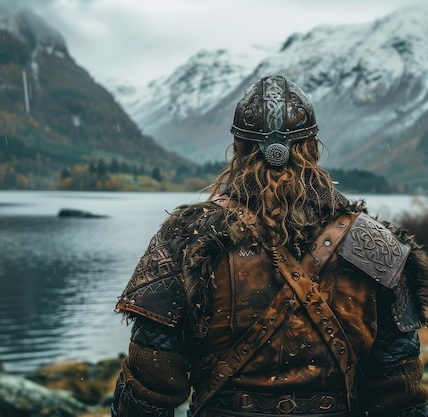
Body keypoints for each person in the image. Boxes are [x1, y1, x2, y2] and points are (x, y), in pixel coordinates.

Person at [111, 75, 428, 417]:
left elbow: (148, 387)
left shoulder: (188, 238)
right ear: (312, 146)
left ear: (239, 149)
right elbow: (400, 394)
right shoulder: (373, 245)